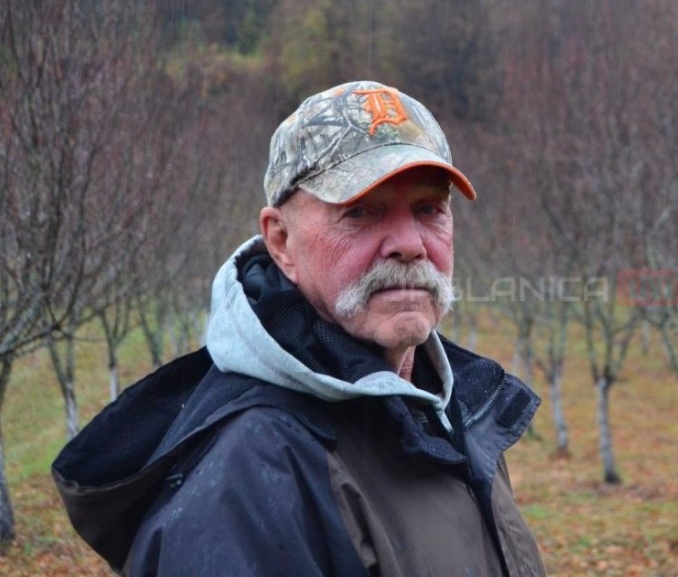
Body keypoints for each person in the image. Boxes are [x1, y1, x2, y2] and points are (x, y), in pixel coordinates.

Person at [52, 80, 547, 577]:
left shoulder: (447, 408)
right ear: (282, 242)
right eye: (360, 211)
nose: (410, 244)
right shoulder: (250, 479)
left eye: (429, 209)